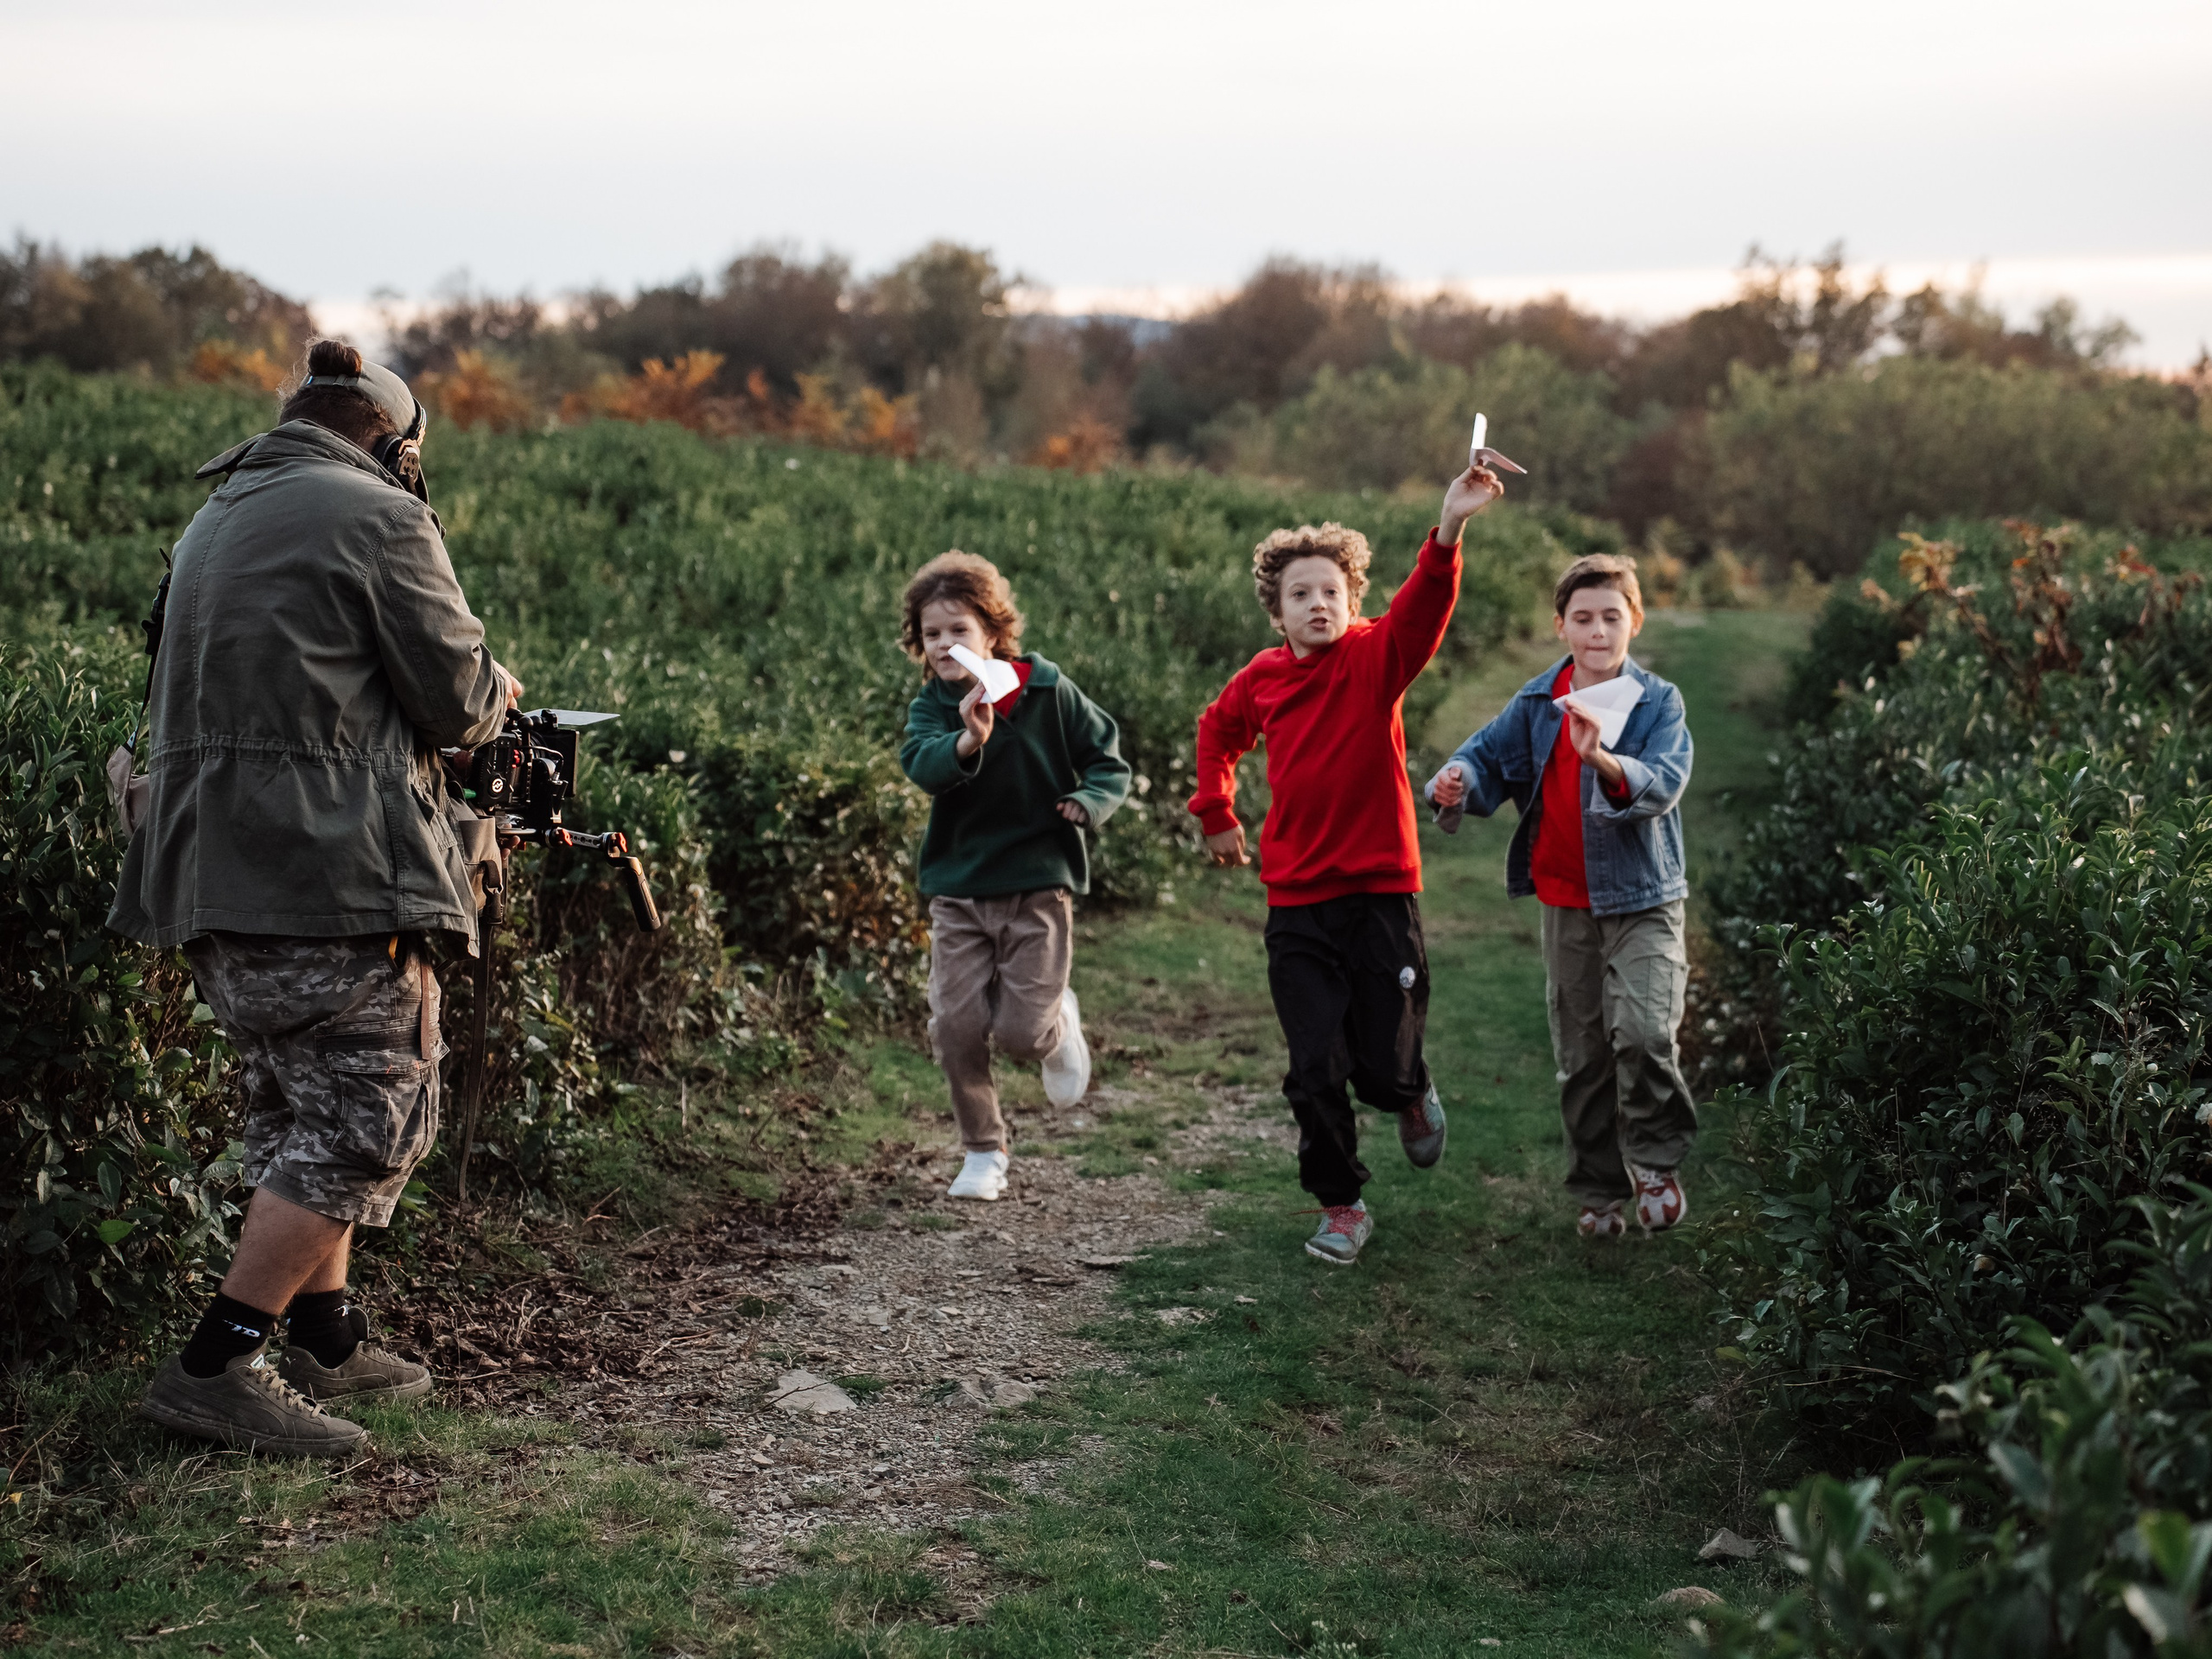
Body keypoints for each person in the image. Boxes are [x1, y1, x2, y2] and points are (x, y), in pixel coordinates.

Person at [110, 340, 519, 1456]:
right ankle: (217, 1365)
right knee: (371, 1114)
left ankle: (327, 1337)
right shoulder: (381, 515)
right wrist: (499, 698)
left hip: (205, 875)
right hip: (326, 881)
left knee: (303, 1107)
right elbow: (462, 703)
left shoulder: (219, 514)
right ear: (394, 441)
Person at [1188, 462, 1504, 1265]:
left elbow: (1423, 611)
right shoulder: (1260, 680)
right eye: (1301, 594)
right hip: (1296, 899)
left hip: (1379, 892)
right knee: (1313, 1065)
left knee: (1381, 1064)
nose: (1319, 603)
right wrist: (1217, 812)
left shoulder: (1376, 659)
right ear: (1279, 611)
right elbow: (1216, 733)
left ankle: (1409, 1092)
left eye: (1332, 590)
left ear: (1353, 602)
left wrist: (1449, 527)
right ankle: (1341, 1204)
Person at [1427, 554, 1695, 1238]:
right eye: (1583, 618)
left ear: (1634, 621)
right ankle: (1599, 1189)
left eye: (1612, 617)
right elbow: (1484, 757)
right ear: (1561, 626)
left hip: (1643, 898)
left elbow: (1662, 783)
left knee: (1643, 1033)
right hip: (1566, 901)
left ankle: (1656, 1161)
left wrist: (1602, 759)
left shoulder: (1658, 702)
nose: (1598, 631)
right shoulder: (1537, 702)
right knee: (1582, 1055)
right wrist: (1456, 779)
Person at [898, 551, 1132, 1202]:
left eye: (958, 631)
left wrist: (1089, 802)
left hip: (1037, 886)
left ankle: (1058, 1021)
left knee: (1024, 1037)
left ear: (993, 635)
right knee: (955, 1025)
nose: (944, 644)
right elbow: (922, 764)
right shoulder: (933, 708)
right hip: (959, 891)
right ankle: (983, 1150)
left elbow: (1109, 761)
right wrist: (969, 740)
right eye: (931, 634)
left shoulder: (1050, 693)